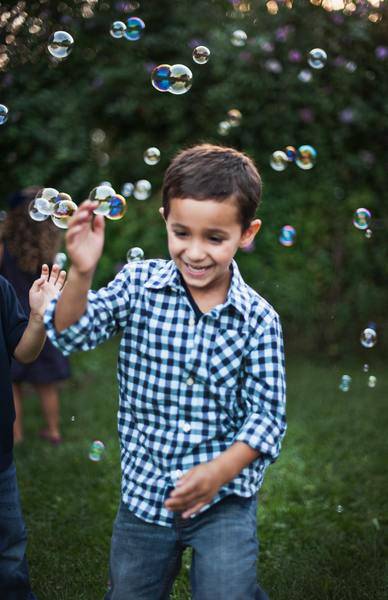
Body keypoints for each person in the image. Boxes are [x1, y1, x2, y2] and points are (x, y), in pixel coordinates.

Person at [44, 144, 287, 600]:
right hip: (144, 496)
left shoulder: (259, 319)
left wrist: (219, 471)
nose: (195, 253)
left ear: (247, 232)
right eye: (181, 233)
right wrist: (81, 271)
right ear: (165, 221)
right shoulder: (139, 285)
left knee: (226, 593)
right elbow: (73, 334)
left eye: (214, 238)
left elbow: (267, 418)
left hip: (224, 503)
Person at [0, 263, 66, 599]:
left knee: (9, 548)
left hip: (0, 454)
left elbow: (24, 352)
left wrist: (39, 317)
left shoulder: (0, 288)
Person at [0, 188, 70, 445]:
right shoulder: (47, 248)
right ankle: (53, 430)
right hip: (42, 315)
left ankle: (15, 434)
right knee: (46, 381)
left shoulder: (5, 247)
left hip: (14, 315)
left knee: (12, 381)